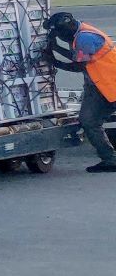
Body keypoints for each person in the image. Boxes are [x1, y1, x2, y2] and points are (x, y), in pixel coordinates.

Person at [42, 11, 116, 173]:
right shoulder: (78, 35)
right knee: (89, 120)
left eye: (59, 34)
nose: (59, 37)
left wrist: (55, 57)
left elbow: (79, 64)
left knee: (90, 120)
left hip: (111, 83)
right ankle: (110, 159)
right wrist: (56, 52)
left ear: (66, 30)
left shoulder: (85, 38)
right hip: (99, 86)